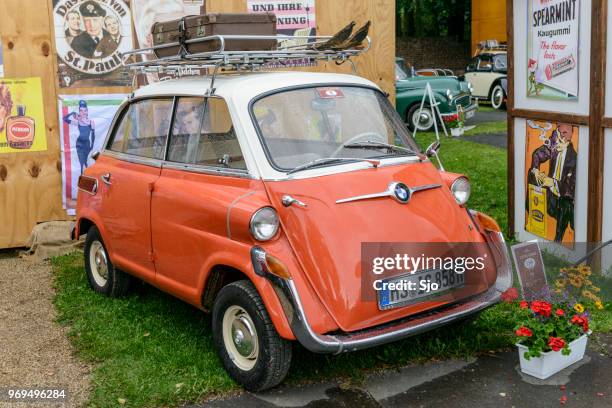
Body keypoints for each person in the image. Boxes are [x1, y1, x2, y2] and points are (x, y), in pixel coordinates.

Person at [528, 123, 577, 243]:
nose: (554, 145)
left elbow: (570, 190)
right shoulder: (554, 144)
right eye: (555, 138)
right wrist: (536, 170)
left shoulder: (574, 159)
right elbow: (538, 154)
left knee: (567, 204)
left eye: (559, 140)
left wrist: (552, 183)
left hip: (562, 199)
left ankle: (558, 241)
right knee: (532, 174)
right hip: (550, 194)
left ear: (568, 137)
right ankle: (530, 218)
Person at [63, 100, 95, 174]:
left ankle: (88, 175)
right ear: (79, 112)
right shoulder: (78, 122)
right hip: (79, 143)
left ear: (87, 111)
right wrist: (72, 113)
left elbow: (93, 134)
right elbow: (64, 119)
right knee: (81, 163)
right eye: (81, 110)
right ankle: (81, 175)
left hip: (87, 143)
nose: (83, 112)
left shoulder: (91, 122)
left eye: (85, 110)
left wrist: (92, 146)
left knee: (86, 161)